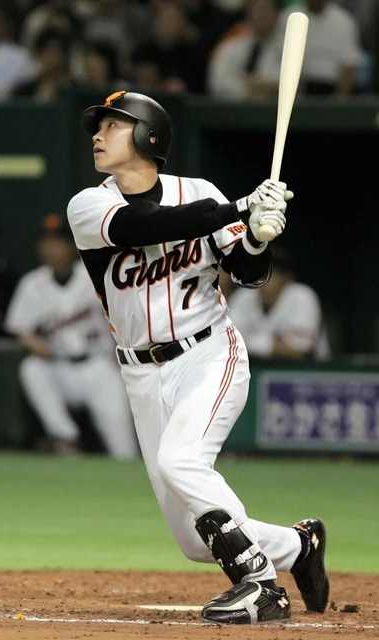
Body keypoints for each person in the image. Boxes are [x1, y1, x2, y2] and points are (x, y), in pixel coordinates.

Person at [67, 90, 329, 624]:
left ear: (149, 135)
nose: (98, 134)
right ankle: (299, 547)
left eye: (113, 125)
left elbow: (250, 274)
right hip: (140, 373)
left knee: (181, 462)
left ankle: (261, 587)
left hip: (208, 353)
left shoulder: (200, 191)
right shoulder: (89, 205)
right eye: (99, 126)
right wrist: (239, 209)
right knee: (192, 539)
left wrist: (256, 239)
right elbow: (145, 224)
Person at [5, 214, 138, 458]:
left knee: (124, 449)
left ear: (72, 246)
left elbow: (126, 315)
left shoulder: (95, 275)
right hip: (59, 367)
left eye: (57, 242)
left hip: (98, 365)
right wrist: (33, 343)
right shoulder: (31, 284)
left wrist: (120, 348)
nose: (50, 249)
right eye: (45, 243)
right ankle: (65, 437)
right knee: (32, 368)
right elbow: (20, 330)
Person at [228, 245, 331, 360]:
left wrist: (252, 343)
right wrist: (275, 343)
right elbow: (228, 340)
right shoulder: (244, 296)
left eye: (267, 274)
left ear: (286, 277)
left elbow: (299, 350)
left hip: (306, 369)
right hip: (257, 367)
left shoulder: (302, 296)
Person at [207, 0, 284, 100]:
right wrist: (247, 88)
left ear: (277, 14)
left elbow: (286, 84)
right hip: (235, 105)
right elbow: (216, 81)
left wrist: (258, 84)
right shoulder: (232, 44)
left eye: (267, 10)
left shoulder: (287, 48)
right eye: (258, 10)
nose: (262, 15)